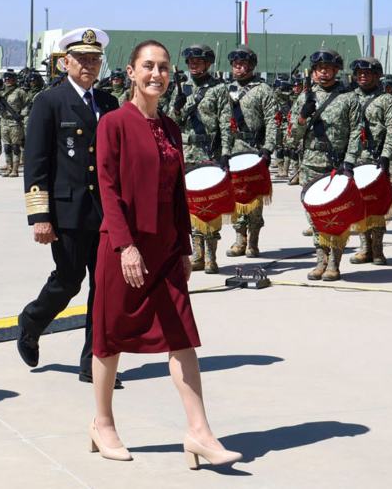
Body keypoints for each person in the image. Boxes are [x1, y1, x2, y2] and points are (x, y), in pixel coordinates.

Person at [89, 39, 241, 469]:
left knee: (183, 338)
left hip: (166, 250)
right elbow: (109, 189)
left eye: (163, 68)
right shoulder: (114, 123)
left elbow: (178, 194)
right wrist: (126, 246)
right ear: (131, 72)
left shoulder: (171, 128)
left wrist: (184, 247)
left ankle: (199, 432)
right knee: (110, 339)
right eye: (148, 66)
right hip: (124, 249)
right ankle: (102, 423)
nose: (156, 74)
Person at [17, 28, 121, 387]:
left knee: (105, 288)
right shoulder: (50, 101)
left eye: (95, 59)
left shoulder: (109, 103)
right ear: (65, 62)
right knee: (69, 281)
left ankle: (94, 362)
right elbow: (36, 162)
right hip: (68, 212)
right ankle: (31, 322)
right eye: (82, 59)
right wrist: (40, 216)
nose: (89, 65)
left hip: (105, 212)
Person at [289, 49, 355, 280]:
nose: (323, 72)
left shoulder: (349, 98)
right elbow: (291, 136)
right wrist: (302, 118)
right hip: (310, 163)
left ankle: (334, 263)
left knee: (336, 215)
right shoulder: (304, 98)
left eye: (328, 68)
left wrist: (349, 161)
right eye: (319, 68)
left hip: (336, 165)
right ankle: (320, 260)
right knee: (315, 215)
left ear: (336, 70)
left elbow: (356, 132)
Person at [171, 44, 229, 273]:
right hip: (186, 152)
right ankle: (197, 254)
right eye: (191, 62)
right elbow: (171, 122)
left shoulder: (218, 89)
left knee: (210, 205)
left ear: (208, 64)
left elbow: (225, 122)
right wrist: (176, 109)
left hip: (209, 152)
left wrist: (225, 153)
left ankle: (211, 256)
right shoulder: (180, 88)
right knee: (191, 206)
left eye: (198, 62)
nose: (194, 65)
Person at [220, 46, 277, 257]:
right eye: (235, 65)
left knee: (254, 199)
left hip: (254, 150)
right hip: (232, 150)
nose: (239, 68)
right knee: (235, 198)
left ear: (252, 66)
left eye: (243, 64)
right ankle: (239, 239)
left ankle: (253, 241)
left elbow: (273, 121)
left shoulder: (263, 90)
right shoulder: (224, 89)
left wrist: (268, 148)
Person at [344, 57, 392, 266]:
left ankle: (377, 248)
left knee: (377, 205)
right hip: (354, 159)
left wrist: (386, 155)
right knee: (358, 205)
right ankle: (364, 247)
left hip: (377, 159)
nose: (363, 77)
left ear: (377, 76)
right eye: (359, 73)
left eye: (367, 73)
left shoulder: (386, 100)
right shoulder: (348, 98)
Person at [0, 70, 28, 178]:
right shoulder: (1, 92)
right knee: (6, 146)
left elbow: (27, 105)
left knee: (15, 146)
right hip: (4, 121)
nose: (7, 81)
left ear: (14, 80)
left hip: (15, 122)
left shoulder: (20, 92)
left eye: (9, 79)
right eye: (5, 79)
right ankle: (8, 167)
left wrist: (22, 115)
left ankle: (15, 169)